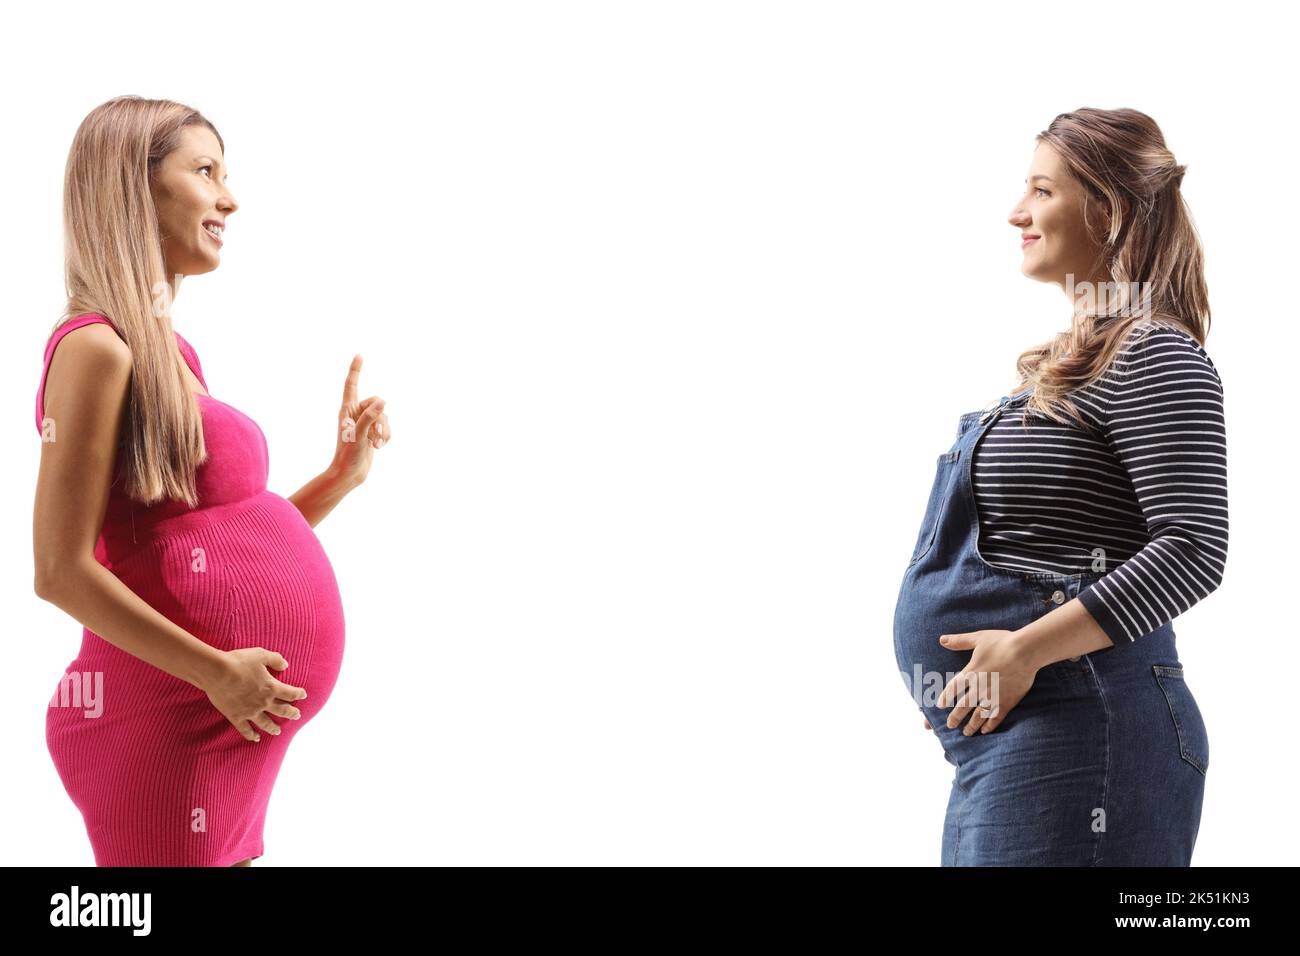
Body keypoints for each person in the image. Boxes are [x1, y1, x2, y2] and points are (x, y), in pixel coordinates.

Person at [33, 95, 391, 866]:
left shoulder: (170, 354)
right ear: (133, 186)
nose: (230, 197)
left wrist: (339, 478)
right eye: (205, 172)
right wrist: (217, 672)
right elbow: (60, 571)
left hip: (222, 726)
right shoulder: (94, 350)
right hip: (167, 725)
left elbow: (204, 545)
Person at [892, 107, 1226, 866]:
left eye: (1042, 191)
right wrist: (974, 673)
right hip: (1014, 743)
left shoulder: (1155, 353)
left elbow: (1195, 546)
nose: (1018, 212)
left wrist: (1023, 653)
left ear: (1108, 210)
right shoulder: (1067, 367)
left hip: (1085, 731)